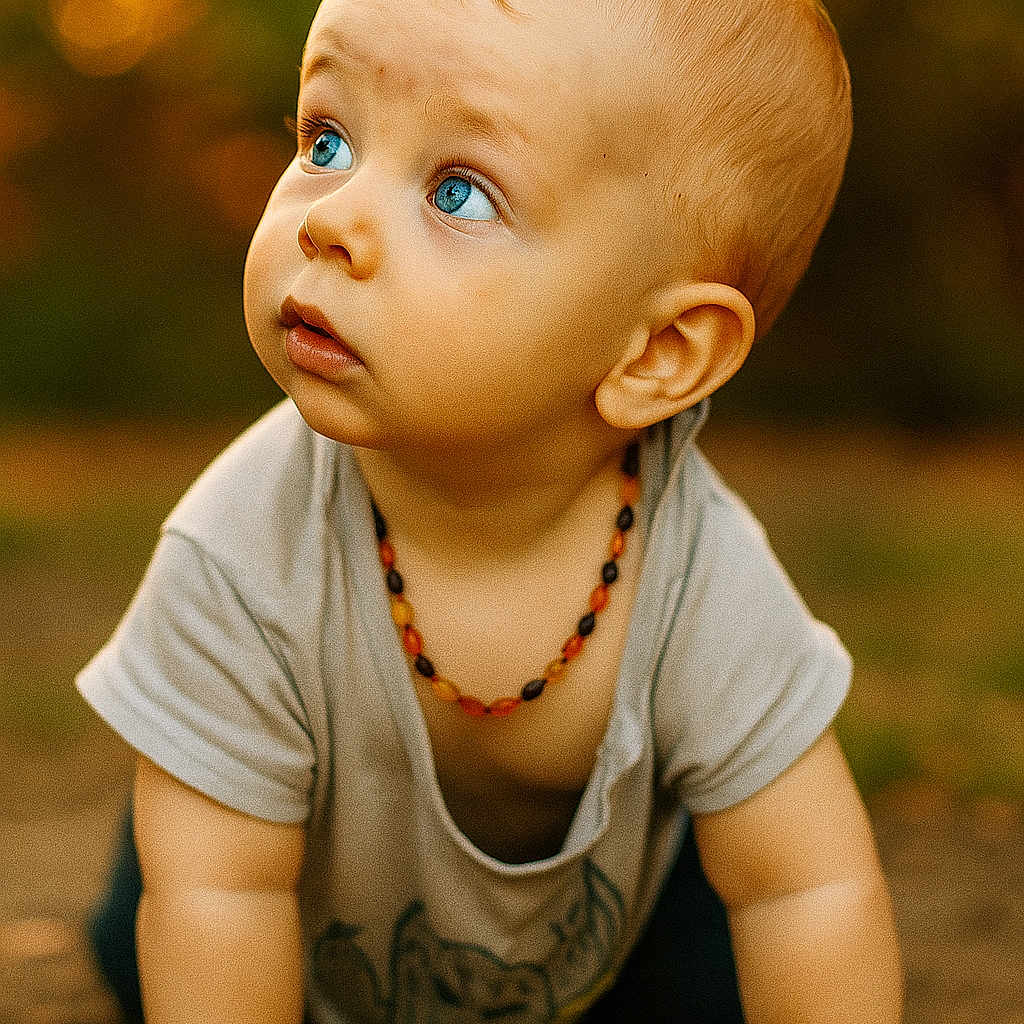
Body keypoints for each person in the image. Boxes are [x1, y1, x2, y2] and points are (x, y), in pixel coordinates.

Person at [77, 0, 904, 1021]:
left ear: (657, 353)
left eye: (460, 192)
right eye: (326, 140)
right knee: (169, 904)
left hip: (605, 932)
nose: (331, 220)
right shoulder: (241, 554)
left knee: (713, 964)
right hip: (284, 910)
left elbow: (805, 888)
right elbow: (218, 896)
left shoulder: (696, 570)